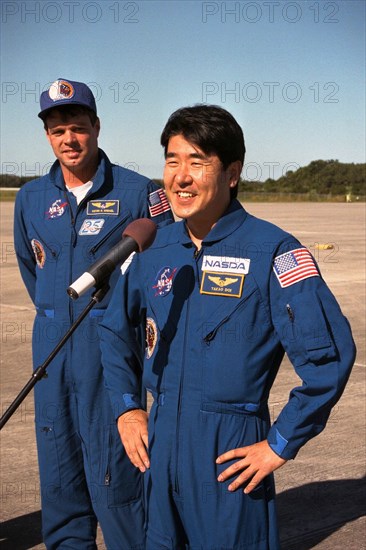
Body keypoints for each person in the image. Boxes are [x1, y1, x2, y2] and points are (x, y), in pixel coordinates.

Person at [99, 105, 356, 549]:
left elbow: (328, 358)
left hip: (228, 458)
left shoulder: (273, 250)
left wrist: (279, 443)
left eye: (197, 162)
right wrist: (127, 407)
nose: (180, 176)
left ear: (232, 173)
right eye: (172, 160)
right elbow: (114, 330)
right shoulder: (153, 249)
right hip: (159, 453)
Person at [13, 78, 174, 549]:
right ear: (47, 136)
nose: (69, 139)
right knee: (59, 470)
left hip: (110, 353)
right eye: (58, 130)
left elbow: (160, 278)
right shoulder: (30, 199)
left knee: (118, 473)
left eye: (78, 127)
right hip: (51, 352)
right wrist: (57, 314)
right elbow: (33, 270)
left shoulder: (139, 192)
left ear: (97, 127)